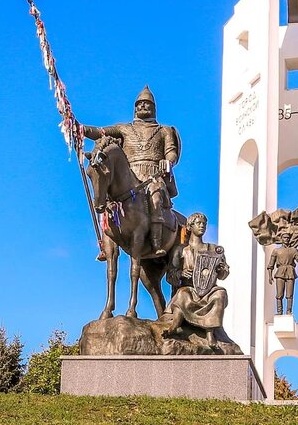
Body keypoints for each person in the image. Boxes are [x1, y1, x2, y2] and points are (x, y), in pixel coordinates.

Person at [83, 86, 180, 256]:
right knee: (106, 197)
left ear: (154, 108)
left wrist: (168, 161)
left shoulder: (164, 130)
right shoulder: (124, 128)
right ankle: (107, 245)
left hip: (152, 175)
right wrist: (79, 128)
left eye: (147, 104)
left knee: (155, 196)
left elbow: (171, 151)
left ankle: (157, 243)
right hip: (129, 175)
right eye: (139, 104)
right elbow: (100, 132)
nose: (143, 106)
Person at [161, 212, 229, 345]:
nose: (202, 226)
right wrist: (181, 274)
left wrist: (222, 270)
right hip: (189, 289)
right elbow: (170, 275)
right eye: (198, 223)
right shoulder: (181, 250)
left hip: (209, 291)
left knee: (220, 294)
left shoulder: (214, 249)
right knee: (182, 295)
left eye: (204, 224)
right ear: (190, 226)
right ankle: (175, 325)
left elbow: (224, 274)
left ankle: (210, 334)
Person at [266, 231, 298, 316]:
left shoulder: (294, 250)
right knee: (279, 294)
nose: (286, 239)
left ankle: (289, 311)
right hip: (280, 272)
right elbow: (270, 265)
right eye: (284, 237)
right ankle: (279, 311)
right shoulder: (276, 251)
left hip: (290, 272)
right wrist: (270, 276)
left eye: (288, 237)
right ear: (281, 239)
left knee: (289, 294)